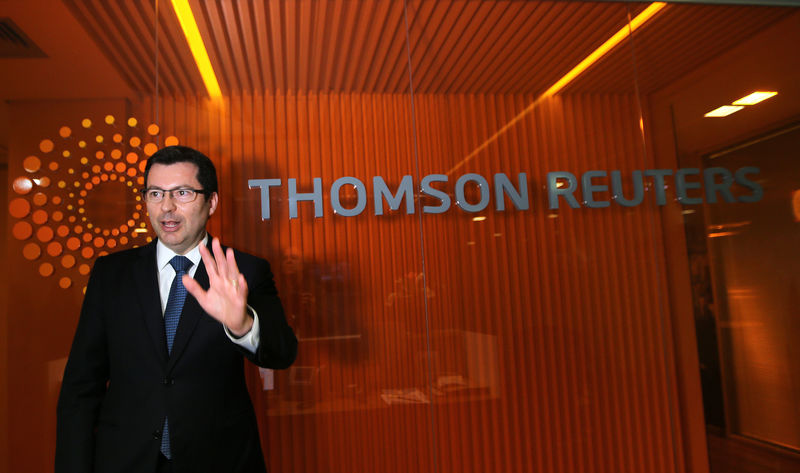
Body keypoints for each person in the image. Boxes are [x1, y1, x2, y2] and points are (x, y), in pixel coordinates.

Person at [56, 146, 297, 473]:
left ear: (211, 202)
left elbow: (282, 352)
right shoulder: (111, 274)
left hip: (218, 460)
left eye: (182, 193)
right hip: (125, 460)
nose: (166, 207)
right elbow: (80, 388)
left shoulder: (244, 270)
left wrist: (242, 325)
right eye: (155, 193)